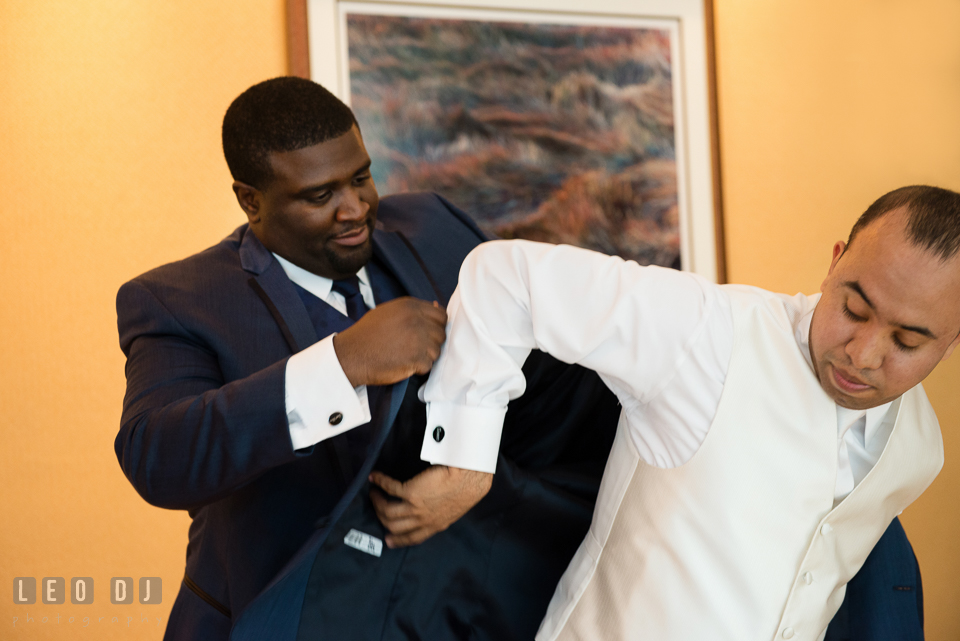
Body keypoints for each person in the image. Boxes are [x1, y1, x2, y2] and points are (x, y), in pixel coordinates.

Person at [114, 76, 621, 640]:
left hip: (446, 613)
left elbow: (534, 374)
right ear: (250, 201)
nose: (354, 209)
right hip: (277, 617)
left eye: (361, 178)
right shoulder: (180, 300)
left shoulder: (434, 227)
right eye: (320, 195)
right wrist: (344, 362)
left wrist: (470, 466)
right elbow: (158, 457)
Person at [418, 185, 960, 640]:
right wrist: (465, 458)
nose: (861, 354)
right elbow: (505, 277)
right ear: (835, 260)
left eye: (907, 342)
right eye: (853, 309)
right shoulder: (709, 335)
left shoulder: (920, 448)